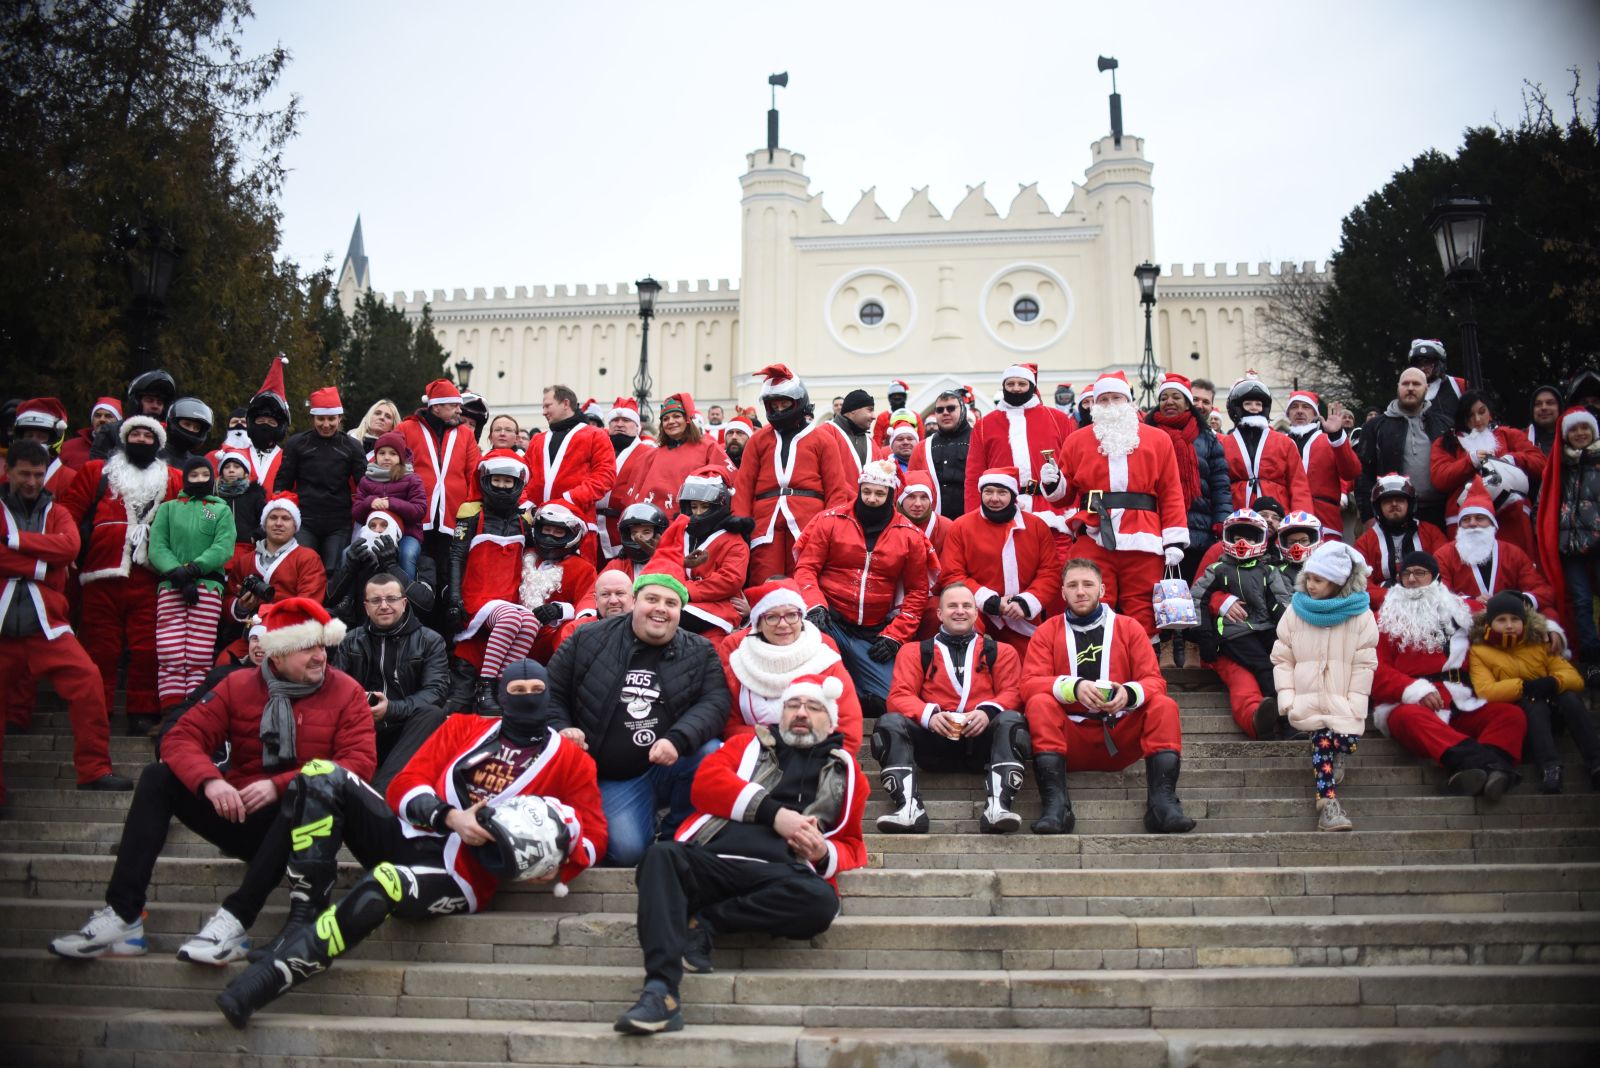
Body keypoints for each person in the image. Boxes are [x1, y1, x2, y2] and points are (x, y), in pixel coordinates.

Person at [215, 657, 604, 1027]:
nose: (527, 697)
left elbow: (595, 835)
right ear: (502, 695)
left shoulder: (572, 760)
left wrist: (559, 861)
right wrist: (449, 816)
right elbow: (404, 783)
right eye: (517, 690)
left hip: (459, 874)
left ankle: (265, 982)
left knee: (384, 884)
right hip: (409, 833)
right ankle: (302, 919)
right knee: (319, 774)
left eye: (536, 689)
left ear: (549, 694)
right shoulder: (462, 727)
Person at [49, 597, 374, 962]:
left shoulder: (347, 691)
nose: (319, 657)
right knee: (158, 777)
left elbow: (358, 764)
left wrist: (278, 785)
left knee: (303, 794)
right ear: (278, 655)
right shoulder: (238, 685)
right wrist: (210, 781)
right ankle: (124, 914)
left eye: (321, 646)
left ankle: (234, 920)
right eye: (306, 648)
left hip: (308, 832)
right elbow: (178, 738)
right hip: (243, 813)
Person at [614, 672, 866, 1036]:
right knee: (659, 856)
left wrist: (822, 851)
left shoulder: (848, 772)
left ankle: (705, 923)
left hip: (779, 875)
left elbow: (853, 844)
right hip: (714, 861)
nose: (800, 713)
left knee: (821, 902)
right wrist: (775, 815)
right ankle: (660, 992)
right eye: (793, 705)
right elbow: (705, 784)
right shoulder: (747, 745)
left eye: (813, 706)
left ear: (830, 722)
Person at [544, 571, 730, 867]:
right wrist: (563, 728)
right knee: (627, 852)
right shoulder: (586, 638)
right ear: (634, 602)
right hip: (616, 775)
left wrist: (678, 739)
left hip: (668, 764)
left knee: (711, 752)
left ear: (680, 612)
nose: (660, 608)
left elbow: (716, 702)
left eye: (671, 603)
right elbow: (550, 691)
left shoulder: (700, 650)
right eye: (652, 599)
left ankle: (675, 837)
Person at [1021, 558, 1194, 834]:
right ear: (1062, 592)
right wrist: (1073, 688)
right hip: (1070, 741)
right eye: (1072, 585)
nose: (1080, 591)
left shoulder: (1129, 627)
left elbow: (1155, 681)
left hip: (1119, 736)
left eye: (1088, 584)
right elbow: (1028, 684)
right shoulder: (1046, 632)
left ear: (1102, 590)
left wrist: (1129, 693)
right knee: (1039, 702)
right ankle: (1056, 807)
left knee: (1164, 705)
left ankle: (1162, 806)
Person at [0, 441, 125, 802]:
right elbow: (55, 556)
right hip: (4, 628)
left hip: (48, 626)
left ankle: (94, 769)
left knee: (88, 681)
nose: (31, 482)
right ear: (8, 471)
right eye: (24, 474)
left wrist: (13, 542)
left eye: (38, 475)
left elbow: (69, 548)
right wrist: (45, 567)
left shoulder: (56, 511)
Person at [58, 415, 183, 736]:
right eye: (135, 434)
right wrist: (66, 549)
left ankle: (142, 712)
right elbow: (68, 512)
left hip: (151, 577)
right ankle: (95, 710)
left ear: (158, 444)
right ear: (124, 440)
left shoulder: (174, 478)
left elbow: (187, 520)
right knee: (99, 648)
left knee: (148, 649)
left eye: (147, 435)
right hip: (101, 574)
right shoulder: (96, 472)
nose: (141, 439)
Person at [1042, 371, 1190, 637]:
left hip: (1143, 534)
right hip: (1094, 531)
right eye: (1104, 399)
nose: (1110, 404)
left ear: (1128, 401)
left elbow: (1171, 492)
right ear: (1095, 404)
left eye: (1116, 398)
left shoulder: (1158, 439)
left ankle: (1144, 658)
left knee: (1143, 606)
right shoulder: (1077, 440)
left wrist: (1174, 540)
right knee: (1090, 599)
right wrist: (1053, 483)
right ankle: (1093, 654)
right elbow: (1063, 496)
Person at [876, 582, 1029, 833]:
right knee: (888, 723)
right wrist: (930, 716)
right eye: (952, 606)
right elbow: (899, 696)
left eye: (967, 605)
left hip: (982, 744)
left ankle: (999, 807)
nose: (960, 611)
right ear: (939, 613)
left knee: (1012, 720)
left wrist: (987, 712)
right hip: (933, 744)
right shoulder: (914, 651)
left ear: (976, 613)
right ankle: (908, 808)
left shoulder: (1002, 651)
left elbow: (1013, 692)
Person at [1370, 551, 1524, 799]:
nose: (1412, 579)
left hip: (1462, 699)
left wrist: (1546, 629)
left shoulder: (1462, 609)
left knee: (1510, 715)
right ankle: (1491, 767)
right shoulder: (1382, 620)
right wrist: (1414, 690)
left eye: (1420, 573)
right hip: (1414, 704)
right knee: (1408, 718)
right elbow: (1375, 669)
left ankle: (1479, 771)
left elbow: (1508, 618)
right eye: (1406, 574)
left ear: (1435, 577)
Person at [793, 459, 930, 715]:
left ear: (891, 495)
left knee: (887, 699)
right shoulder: (830, 520)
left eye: (879, 493)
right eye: (866, 491)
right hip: (830, 621)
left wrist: (895, 635)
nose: (871, 499)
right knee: (814, 679)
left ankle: (849, 690)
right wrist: (815, 605)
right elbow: (806, 568)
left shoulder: (909, 534)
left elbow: (917, 591)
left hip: (874, 631)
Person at [1270, 542, 1379, 832]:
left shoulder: (1361, 615)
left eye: (1319, 580)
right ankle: (1328, 806)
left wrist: (1356, 705)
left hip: (1343, 700)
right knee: (1322, 746)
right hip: (1309, 699)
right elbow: (1282, 658)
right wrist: (1288, 697)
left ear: (1338, 582)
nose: (1310, 585)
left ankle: (1342, 750)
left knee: (1344, 741)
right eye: (1308, 578)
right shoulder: (1296, 611)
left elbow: (1364, 664)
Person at [450, 454, 564, 710]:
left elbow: (544, 547)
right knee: (512, 618)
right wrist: (454, 598)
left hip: (509, 597)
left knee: (530, 623)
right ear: (486, 480)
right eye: (497, 480)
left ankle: (503, 685)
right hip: (477, 597)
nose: (502, 487)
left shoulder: (525, 521)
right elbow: (456, 556)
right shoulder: (471, 513)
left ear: (518, 484)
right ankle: (485, 687)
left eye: (508, 481)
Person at [732, 364, 852, 583]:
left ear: (798, 402)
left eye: (784, 403)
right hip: (765, 523)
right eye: (774, 405)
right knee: (764, 580)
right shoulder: (758, 440)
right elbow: (744, 484)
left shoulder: (823, 439)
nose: (778, 410)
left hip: (809, 523)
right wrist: (741, 520)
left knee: (804, 580)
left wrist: (831, 525)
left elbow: (836, 487)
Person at [331, 570, 451, 791]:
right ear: (366, 607)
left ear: (404, 603)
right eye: (376, 600)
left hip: (405, 731)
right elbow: (335, 689)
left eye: (391, 599)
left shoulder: (430, 640)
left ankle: (383, 790)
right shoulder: (350, 641)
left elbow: (436, 692)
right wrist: (359, 708)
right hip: (361, 728)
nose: (384, 606)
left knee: (433, 713)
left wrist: (391, 710)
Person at [1469, 591, 1598, 794]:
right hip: (1521, 714)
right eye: (1501, 620)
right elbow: (1485, 690)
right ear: (1489, 623)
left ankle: (1596, 763)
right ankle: (1550, 768)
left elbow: (1575, 679)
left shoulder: (1539, 642)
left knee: (1569, 698)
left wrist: (1553, 682)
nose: (1509, 625)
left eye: (1515, 619)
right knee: (1533, 703)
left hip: (1554, 710)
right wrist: (1524, 687)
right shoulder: (1479, 651)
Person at [721, 578, 863, 752]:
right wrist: (774, 742)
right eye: (772, 617)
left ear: (801, 618)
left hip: (816, 759)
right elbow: (730, 726)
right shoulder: (740, 661)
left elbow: (849, 731)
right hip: (755, 755)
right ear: (758, 623)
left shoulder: (825, 659)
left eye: (791, 615)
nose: (783, 624)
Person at [1192, 509, 1295, 739]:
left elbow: (1280, 603)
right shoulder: (1217, 567)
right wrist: (1205, 636)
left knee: (1281, 664)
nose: (1242, 544)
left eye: (1249, 538)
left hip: (1264, 628)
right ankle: (1281, 721)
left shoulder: (1269, 570)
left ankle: (1290, 715)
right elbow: (1196, 598)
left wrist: (1290, 633)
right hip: (1232, 633)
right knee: (1262, 669)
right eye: (1237, 537)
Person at [148, 457, 237, 710]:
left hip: (207, 586)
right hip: (172, 585)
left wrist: (195, 568)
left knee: (200, 650)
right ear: (185, 478)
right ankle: (171, 707)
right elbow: (157, 546)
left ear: (212, 478)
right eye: (193, 475)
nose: (199, 480)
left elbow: (223, 546)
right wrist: (176, 572)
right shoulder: (168, 509)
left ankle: (194, 706)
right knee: (169, 648)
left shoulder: (221, 510)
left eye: (204, 475)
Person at [943, 466, 1060, 655]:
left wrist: (1025, 602)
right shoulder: (961, 527)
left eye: (1002, 492)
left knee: (1029, 665)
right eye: (988, 492)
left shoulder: (1037, 526)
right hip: (975, 614)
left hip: (1022, 617)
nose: (994, 498)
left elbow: (1050, 571)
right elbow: (952, 574)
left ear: (1013, 495)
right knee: (974, 660)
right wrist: (990, 601)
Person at [1432, 390, 1547, 560]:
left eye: (1482, 411)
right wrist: (1470, 461)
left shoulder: (1509, 435)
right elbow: (1440, 478)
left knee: (1514, 565)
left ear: (1490, 412)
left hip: (1510, 516)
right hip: (1466, 519)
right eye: (1470, 415)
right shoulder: (1447, 442)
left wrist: (1512, 460)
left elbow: (1541, 464)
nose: (1477, 420)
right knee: (1469, 570)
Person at [400, 378, 482, 611]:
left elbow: (473, 475)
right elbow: (395, 468)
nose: (459, 410)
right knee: (419, 573)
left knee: (448, 575)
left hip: (453, 518)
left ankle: (446, 625)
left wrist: (471, 512)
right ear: (436, 406)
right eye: (454, 405)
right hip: (416, 517)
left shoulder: (465, 434)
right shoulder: (406, 429)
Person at [964, 362, 1076, 527]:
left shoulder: (1058, 419)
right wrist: (974, 518)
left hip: (1052, 509)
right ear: (1003, 387)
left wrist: (1074, 509)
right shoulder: (984, 425)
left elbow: (1072, 468)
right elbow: (974, 476)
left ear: (1032, 386)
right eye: (1010, 384)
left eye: (1022, 384)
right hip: (1002, 508)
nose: (1016, 388)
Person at [646, 469, 749, 647]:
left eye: (704, 507)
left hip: (719, 607)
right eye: (694, 507)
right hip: (678, 600)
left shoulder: (734, 541)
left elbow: (730, 579)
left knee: (662, 618)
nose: (698, 513)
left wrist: (683, 589)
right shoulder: (680, 533)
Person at [273, 386, 368, 578]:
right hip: (305, 520)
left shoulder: (352, 446)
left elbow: (365, 486)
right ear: (312, 418)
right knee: (304, 569)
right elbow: (282, 484)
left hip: (339, 522)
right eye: (321, 419)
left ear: (339, 418)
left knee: (333, 571)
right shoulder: (297, 444)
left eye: (331, 419)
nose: (326, 424)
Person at [1146, 373, 1233, 579]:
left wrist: (1221, 521)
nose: (1169, 402)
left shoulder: (1207, 438)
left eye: (1176, 397)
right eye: (1164, 398)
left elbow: (1220, 485)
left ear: (1187, 404)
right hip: (1156, 528)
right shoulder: (1147, 434)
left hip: (1198, 530)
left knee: (1193, 589)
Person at [1537, 407, 1600, 682]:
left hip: (1597, 543)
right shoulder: (1559, 466)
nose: (1580, 433)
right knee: (1581, 602)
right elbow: (1544, 502)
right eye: (1574, 429)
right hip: (1570, 548)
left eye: (1585, 428)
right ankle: (1591, 658)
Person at [1434, 478, 1556, 617]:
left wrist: (1515, 601)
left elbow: (1543, 591)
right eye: (1466, 520)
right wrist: (1472, 601)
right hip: (1465, 620)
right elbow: (1438, 594)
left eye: (1480, 518)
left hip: (1508, 621)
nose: (1472, 523)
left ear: (1492, 524)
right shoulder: (1444, 555)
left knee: (1549, 615)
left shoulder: (1513, 554)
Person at [523, 384, 616, 566]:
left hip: (577, 525)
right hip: (539, 526)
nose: (543, 412)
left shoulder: (595, 435)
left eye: (548, 406)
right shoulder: (537, 440)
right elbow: (524, 477)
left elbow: (605, 475)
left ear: (565, 403)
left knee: (576, 578)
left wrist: (570, 500)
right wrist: (527, 504)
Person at [1357, 367, 1452, 528]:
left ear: (1426, 388)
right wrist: (1368, 517)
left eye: (1416, 384)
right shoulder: (1375, 427)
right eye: (1405, 383)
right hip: (1392, 513)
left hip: (1439, 512)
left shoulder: (1444, 425)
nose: (1410, 388)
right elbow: (1363, 473)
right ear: (1398, 387)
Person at [1216, 372, 1313, 516]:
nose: (1254, 408)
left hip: (1277, 517)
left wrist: (1302, 519)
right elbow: (1218, 487)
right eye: (1248, 404)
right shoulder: (1223, 444)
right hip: (1237, 515)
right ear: (1238, 408)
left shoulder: (1285, 443)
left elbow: (1299, 486)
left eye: (1258, 404)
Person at [626, 393, 730, 516]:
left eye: (676, 416)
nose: (671, 421)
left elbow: (729, 483)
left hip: (694, 520)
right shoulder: (650, 456)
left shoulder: (709, 448)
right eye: (665, 419)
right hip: (656, 523)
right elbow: (634, 497)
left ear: (687, 420)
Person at [1355, 473, 1447, 610]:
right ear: (1378, 507)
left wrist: (1423, 596)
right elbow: (1361, 584)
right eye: (1387, 501)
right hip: (1385, 608)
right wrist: (1396, 599)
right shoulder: (1365, 542)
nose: (1394, 504)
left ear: (1410, 504)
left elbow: (1445, 572)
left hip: (1429, 604)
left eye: (1400, 500)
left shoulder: (1431, 533)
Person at [1282, 389, 1357, 541]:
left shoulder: (1330, 440)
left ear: (1315, 413)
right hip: (1286, 523)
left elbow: (1351, 472)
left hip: (1325, 523)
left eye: (1306, 407)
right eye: (1294, 407)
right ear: (1288, 413)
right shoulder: (1279, 443)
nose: (1300, 411)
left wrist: (1337, 436)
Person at [350, 430, 426, 582]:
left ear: (401, 457)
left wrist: (391, 503)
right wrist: (370, 502)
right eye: (382, 453)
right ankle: (349, 594)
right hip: (373, 532)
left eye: (393, 453)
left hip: (407, 534)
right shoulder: (366, 480)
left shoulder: (412, 479)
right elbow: (356, 512)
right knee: (349, 554)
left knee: (407, 554)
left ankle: (408, 592)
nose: (386, 457)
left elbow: (419, 510)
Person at [597, 398, 654, 560]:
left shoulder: (648, 453)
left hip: (626, 528)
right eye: (615, 420)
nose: (620, 424)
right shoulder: (599, 450)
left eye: (626, 420)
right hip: (595, 529)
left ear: (637, 426)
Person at [908, 389, 972, 520]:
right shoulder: (922, 447)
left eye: (951, 408)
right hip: (934, 523)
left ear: (962, 410)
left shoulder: (979, 440)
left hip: (970, 520)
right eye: (940, 410)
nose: (945, 413)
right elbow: (911, 487)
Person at [238, 357, 292, 489]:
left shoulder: (288, 460)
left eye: (271, 422)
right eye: (261, 421)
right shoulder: (234, 456)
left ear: (281, 427)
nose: (265, 425)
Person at [7, 398, 75, 496]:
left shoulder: (70, 479)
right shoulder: (9, 474)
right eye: (29, 436)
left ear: (54, 439)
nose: (34, 442)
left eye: (41, 436)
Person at [213, 451, 266, 564]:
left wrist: (255, 536)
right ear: (221, 472)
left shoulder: (254, 495)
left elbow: (266, 520)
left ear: (246, 473)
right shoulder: (214, 496)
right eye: (227, 467)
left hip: (248, 549)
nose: (231, 470)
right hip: (218, 549)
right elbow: (208, 518)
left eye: (236, 467)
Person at [1407, 338, 1468, 423]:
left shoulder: (1459, 384)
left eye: (1427, 363)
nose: (1423, 368)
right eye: (1418, 364)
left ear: (1439, 363)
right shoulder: (1409, 391)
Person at [822, 388, 880, 477]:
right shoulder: (825, 433)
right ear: (853, 410)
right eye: (870, 410)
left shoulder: (871, 443)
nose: (874, 416)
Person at [607, 502, 669, 583]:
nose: (639, 538)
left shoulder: (671, 565)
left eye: (646, 532)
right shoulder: (617, 565)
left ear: (659, 534)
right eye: (634, 533)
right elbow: (595, 590)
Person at [59, 397, 122, 470]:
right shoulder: (69, 447)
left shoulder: (126, 450)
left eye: (108, 416)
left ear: (118, 422)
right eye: (98, 415)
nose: (102, 419)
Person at [160, 396, 214, 471]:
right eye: (187, 424)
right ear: (173, 423)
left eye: (196, 428)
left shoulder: (197, 464)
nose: (191, 430)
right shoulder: (153, 454)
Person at [871, 378, 919, 447]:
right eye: (894, 396)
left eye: (900, 396)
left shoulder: (915, 416)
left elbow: (920, 438)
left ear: (905, 397)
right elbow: (877, 440)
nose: (897, 398)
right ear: (889, 399)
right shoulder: (882, 417)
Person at [1527, 385, 1563, 455]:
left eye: (1550, 403)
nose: (1544, 407)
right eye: (1538, 404)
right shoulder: (1521, 439)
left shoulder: (1572, 438)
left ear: (1560, 407)